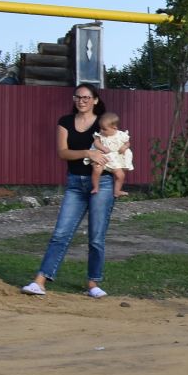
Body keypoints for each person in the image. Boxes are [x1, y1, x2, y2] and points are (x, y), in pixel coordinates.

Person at [24, 82, 119, 299]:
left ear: (95, 100)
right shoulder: (65, 122)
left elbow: (117, 146)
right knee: (60, 233)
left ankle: (93, 283)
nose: (81, 101)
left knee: (96, 237)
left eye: (86, 97)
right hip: (75, 183)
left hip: (102, 183)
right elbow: (63, 153)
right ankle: (40, 281)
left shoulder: (104, 122)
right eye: (78, 97)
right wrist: (88, 152)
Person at [93, 112, 133, 198]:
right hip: (102, 157)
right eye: (100, 128)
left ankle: (117, 191)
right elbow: (96, 143)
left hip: (114, 160)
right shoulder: (100, 135)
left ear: (114, 128)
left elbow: (128, 143)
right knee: (97, 170)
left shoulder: (121, 135)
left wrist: (125, 147)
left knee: (121, 175)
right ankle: (96, 187)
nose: (101, 130)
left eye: (104, 129)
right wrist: (102, 147)